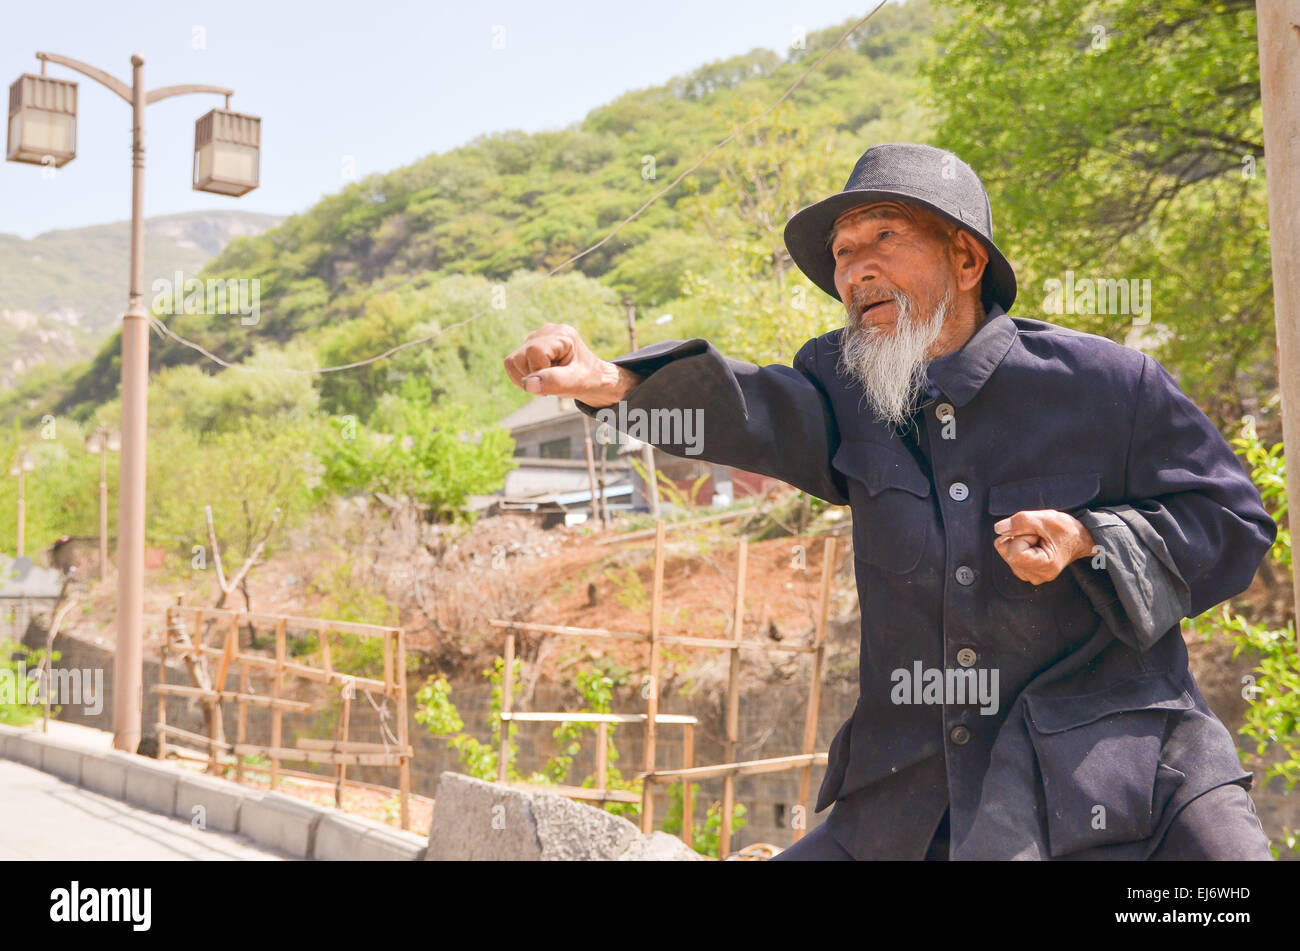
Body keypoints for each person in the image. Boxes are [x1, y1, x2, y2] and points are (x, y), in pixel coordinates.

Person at [503, 143, 1276, 860]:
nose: (856, 270)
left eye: (884, 239)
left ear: (965, 257)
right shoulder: (843, 385)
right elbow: (755, 409)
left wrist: (1090, 538)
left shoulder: (1109, 385)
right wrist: (609, 382)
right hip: (909, 800)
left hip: (1123, 781)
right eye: (843, 253)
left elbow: (1234, 521)